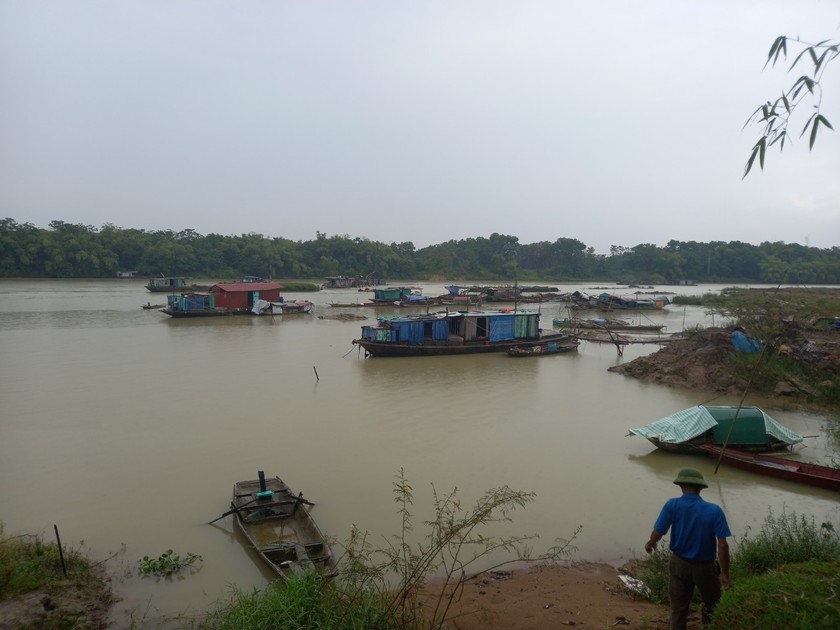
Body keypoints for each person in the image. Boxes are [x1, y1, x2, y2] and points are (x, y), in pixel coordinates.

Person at [644, 468, 732, 629]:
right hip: (705, 567)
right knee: (713, 604)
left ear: (681, 486)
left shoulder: (672, 505)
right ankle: (709, 625)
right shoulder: (714, 511)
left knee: (678, 609)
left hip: (679, 564)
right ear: (700, 488)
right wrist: (725, 574)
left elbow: (658, 532)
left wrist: (650, 544)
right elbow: (722, 545)